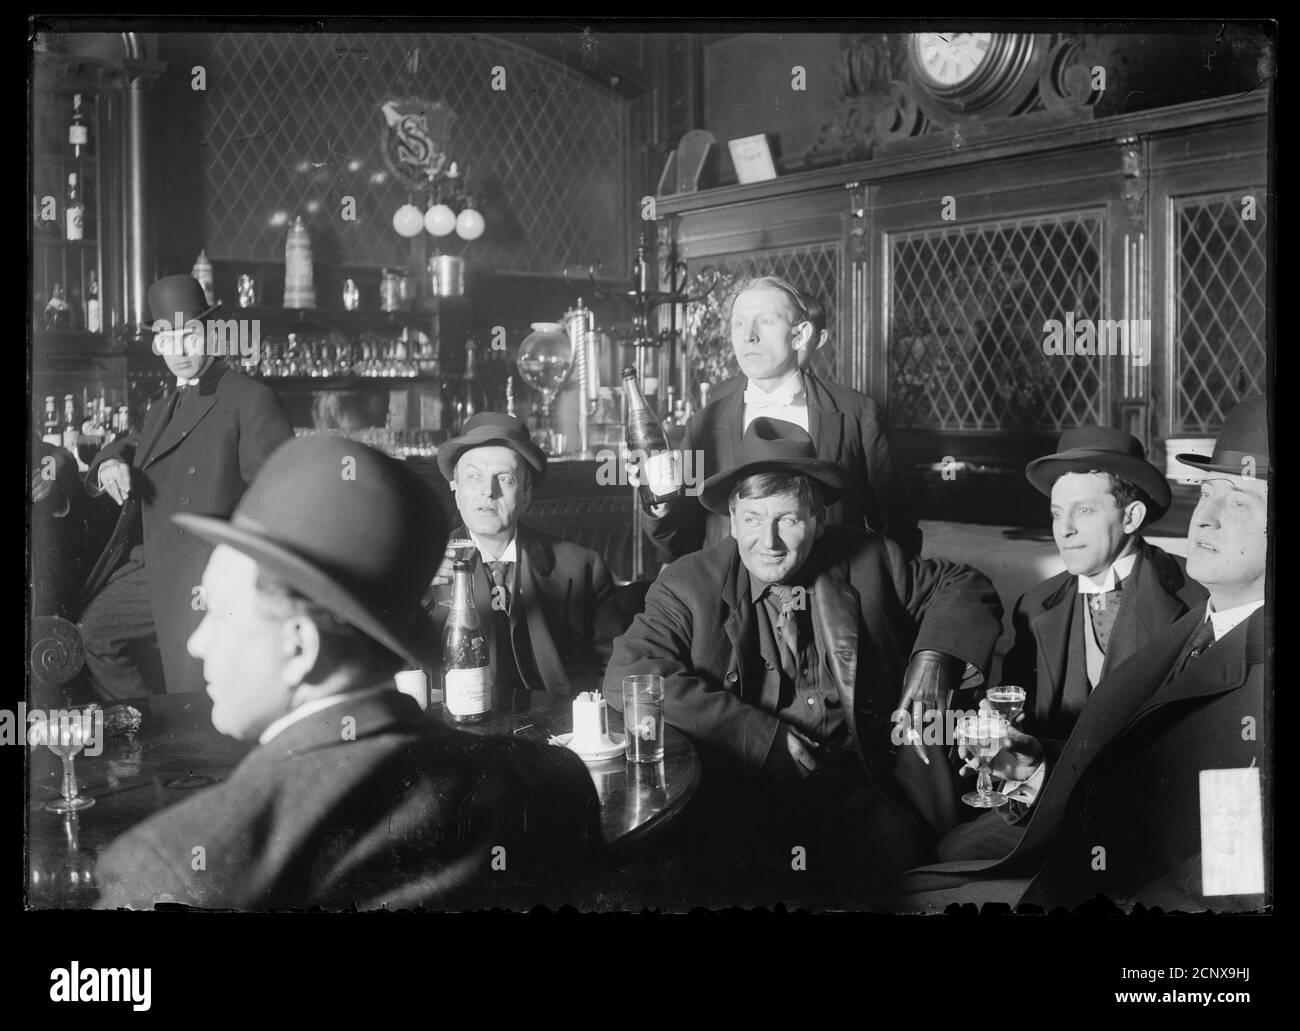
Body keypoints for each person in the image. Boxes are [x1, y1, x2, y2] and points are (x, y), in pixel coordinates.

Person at [94, 435, 605, 911]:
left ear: (301, 646)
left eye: (221, 613)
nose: (195, 641)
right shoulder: (553, 783)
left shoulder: (167, 870)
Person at [604, 418, 1002, 905]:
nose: (767, 541)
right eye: (751, 519)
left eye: (787, 520)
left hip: (861, 790)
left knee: (890, 882)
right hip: (740, 796)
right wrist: (758, 737)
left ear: (816, 520)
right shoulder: (689, 584)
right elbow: (632, 672)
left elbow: (964, 585)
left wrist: (935, 661)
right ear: (732, 520)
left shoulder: (871, 560)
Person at [903, 396, 1270, 912]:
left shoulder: (1203, 614)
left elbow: (1229, 868)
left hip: (1131, 875)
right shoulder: (1192, 625)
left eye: (1238, 502)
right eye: (1206, 492)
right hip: (1070, 818)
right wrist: (1021, 761)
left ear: (1133, 516)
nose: (1203, 520)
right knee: (927, 870)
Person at [937, 427, 1206, 861]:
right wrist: (1001, 746)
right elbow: (1024, 746)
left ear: (1132, 517)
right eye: (1056, 512)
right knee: (952, 853)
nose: (1065, 530)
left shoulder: (1196, 598)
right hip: (1054, 803)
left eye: (1083, 511)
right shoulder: (1035, 604)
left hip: (1153, 812)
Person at [79, 275, 293, 699]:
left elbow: (280, 498)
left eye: (188, 336)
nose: (177, 351)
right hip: (153, 565)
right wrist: (108, 465)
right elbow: (134, 444)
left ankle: (163, 740)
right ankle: (151, 732)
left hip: (204, 572)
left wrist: (233, 575)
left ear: (212, 332)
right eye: (166, 338)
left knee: (198, 696)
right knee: (93, 631)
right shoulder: (163, 405)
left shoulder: (249, 398)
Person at [635, 276, 921, 560]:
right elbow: (679, 543)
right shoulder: (704, 422)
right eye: (739, 323)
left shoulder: (858, 413)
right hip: (730, 600)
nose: (749, 335)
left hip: (831, 596)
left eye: (766, 321)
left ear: (801, 335)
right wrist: (659, 501)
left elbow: (897, 526)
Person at [427, 412, 623, 700]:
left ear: (527, 495)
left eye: (504, 479)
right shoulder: (421, 569)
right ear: (455, 491)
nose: (487, 492)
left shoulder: (583, 568)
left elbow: (616, 668)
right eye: (473, 477)